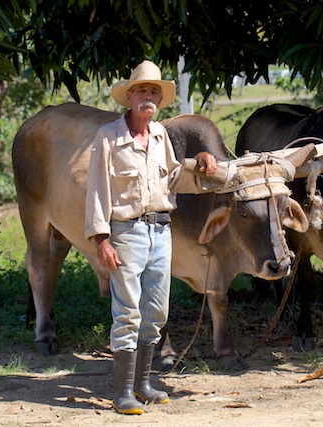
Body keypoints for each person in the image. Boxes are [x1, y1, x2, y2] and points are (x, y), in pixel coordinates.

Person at [85, 60, 218, 415]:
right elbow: (96, 191)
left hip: (160, 231)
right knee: (127, 312)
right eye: (142, 91)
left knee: (156, 311)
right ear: (129, 97)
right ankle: (122, 392)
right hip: (126, 232)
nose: (148, 97)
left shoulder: (159, 135)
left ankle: (144, 384)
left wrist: (201, 161)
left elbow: (174, 177)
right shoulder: (108, 137)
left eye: (154, 92)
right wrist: (101, 239)